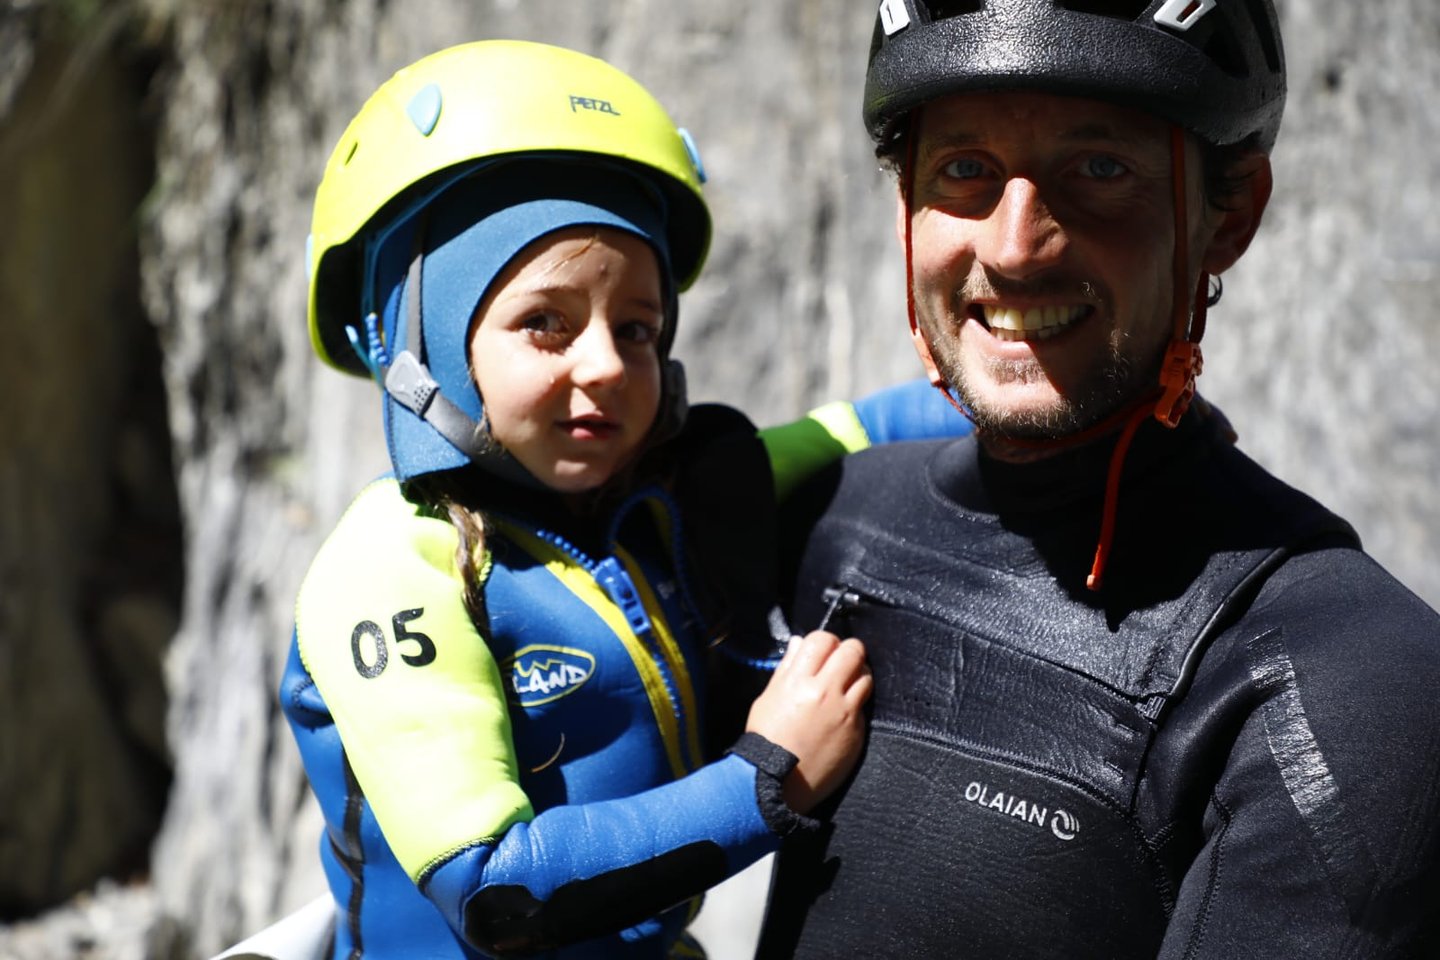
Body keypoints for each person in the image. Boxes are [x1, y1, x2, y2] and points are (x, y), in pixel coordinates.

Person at [758, 2, 1440, 957]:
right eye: (965, 170)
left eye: (1100, 170)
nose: (1014, 245)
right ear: (906, 208)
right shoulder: (833, 519)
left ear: (1229, 213)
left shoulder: (1350, 676)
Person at [277, 39, 964, 960]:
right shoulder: (394, 567)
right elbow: (495, 893)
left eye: (637, 327)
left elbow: (859, 428)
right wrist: (769, 778)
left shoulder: (654, 500)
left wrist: (1033, 390)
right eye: (545, 323)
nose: (605, 364)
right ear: (423, 343)